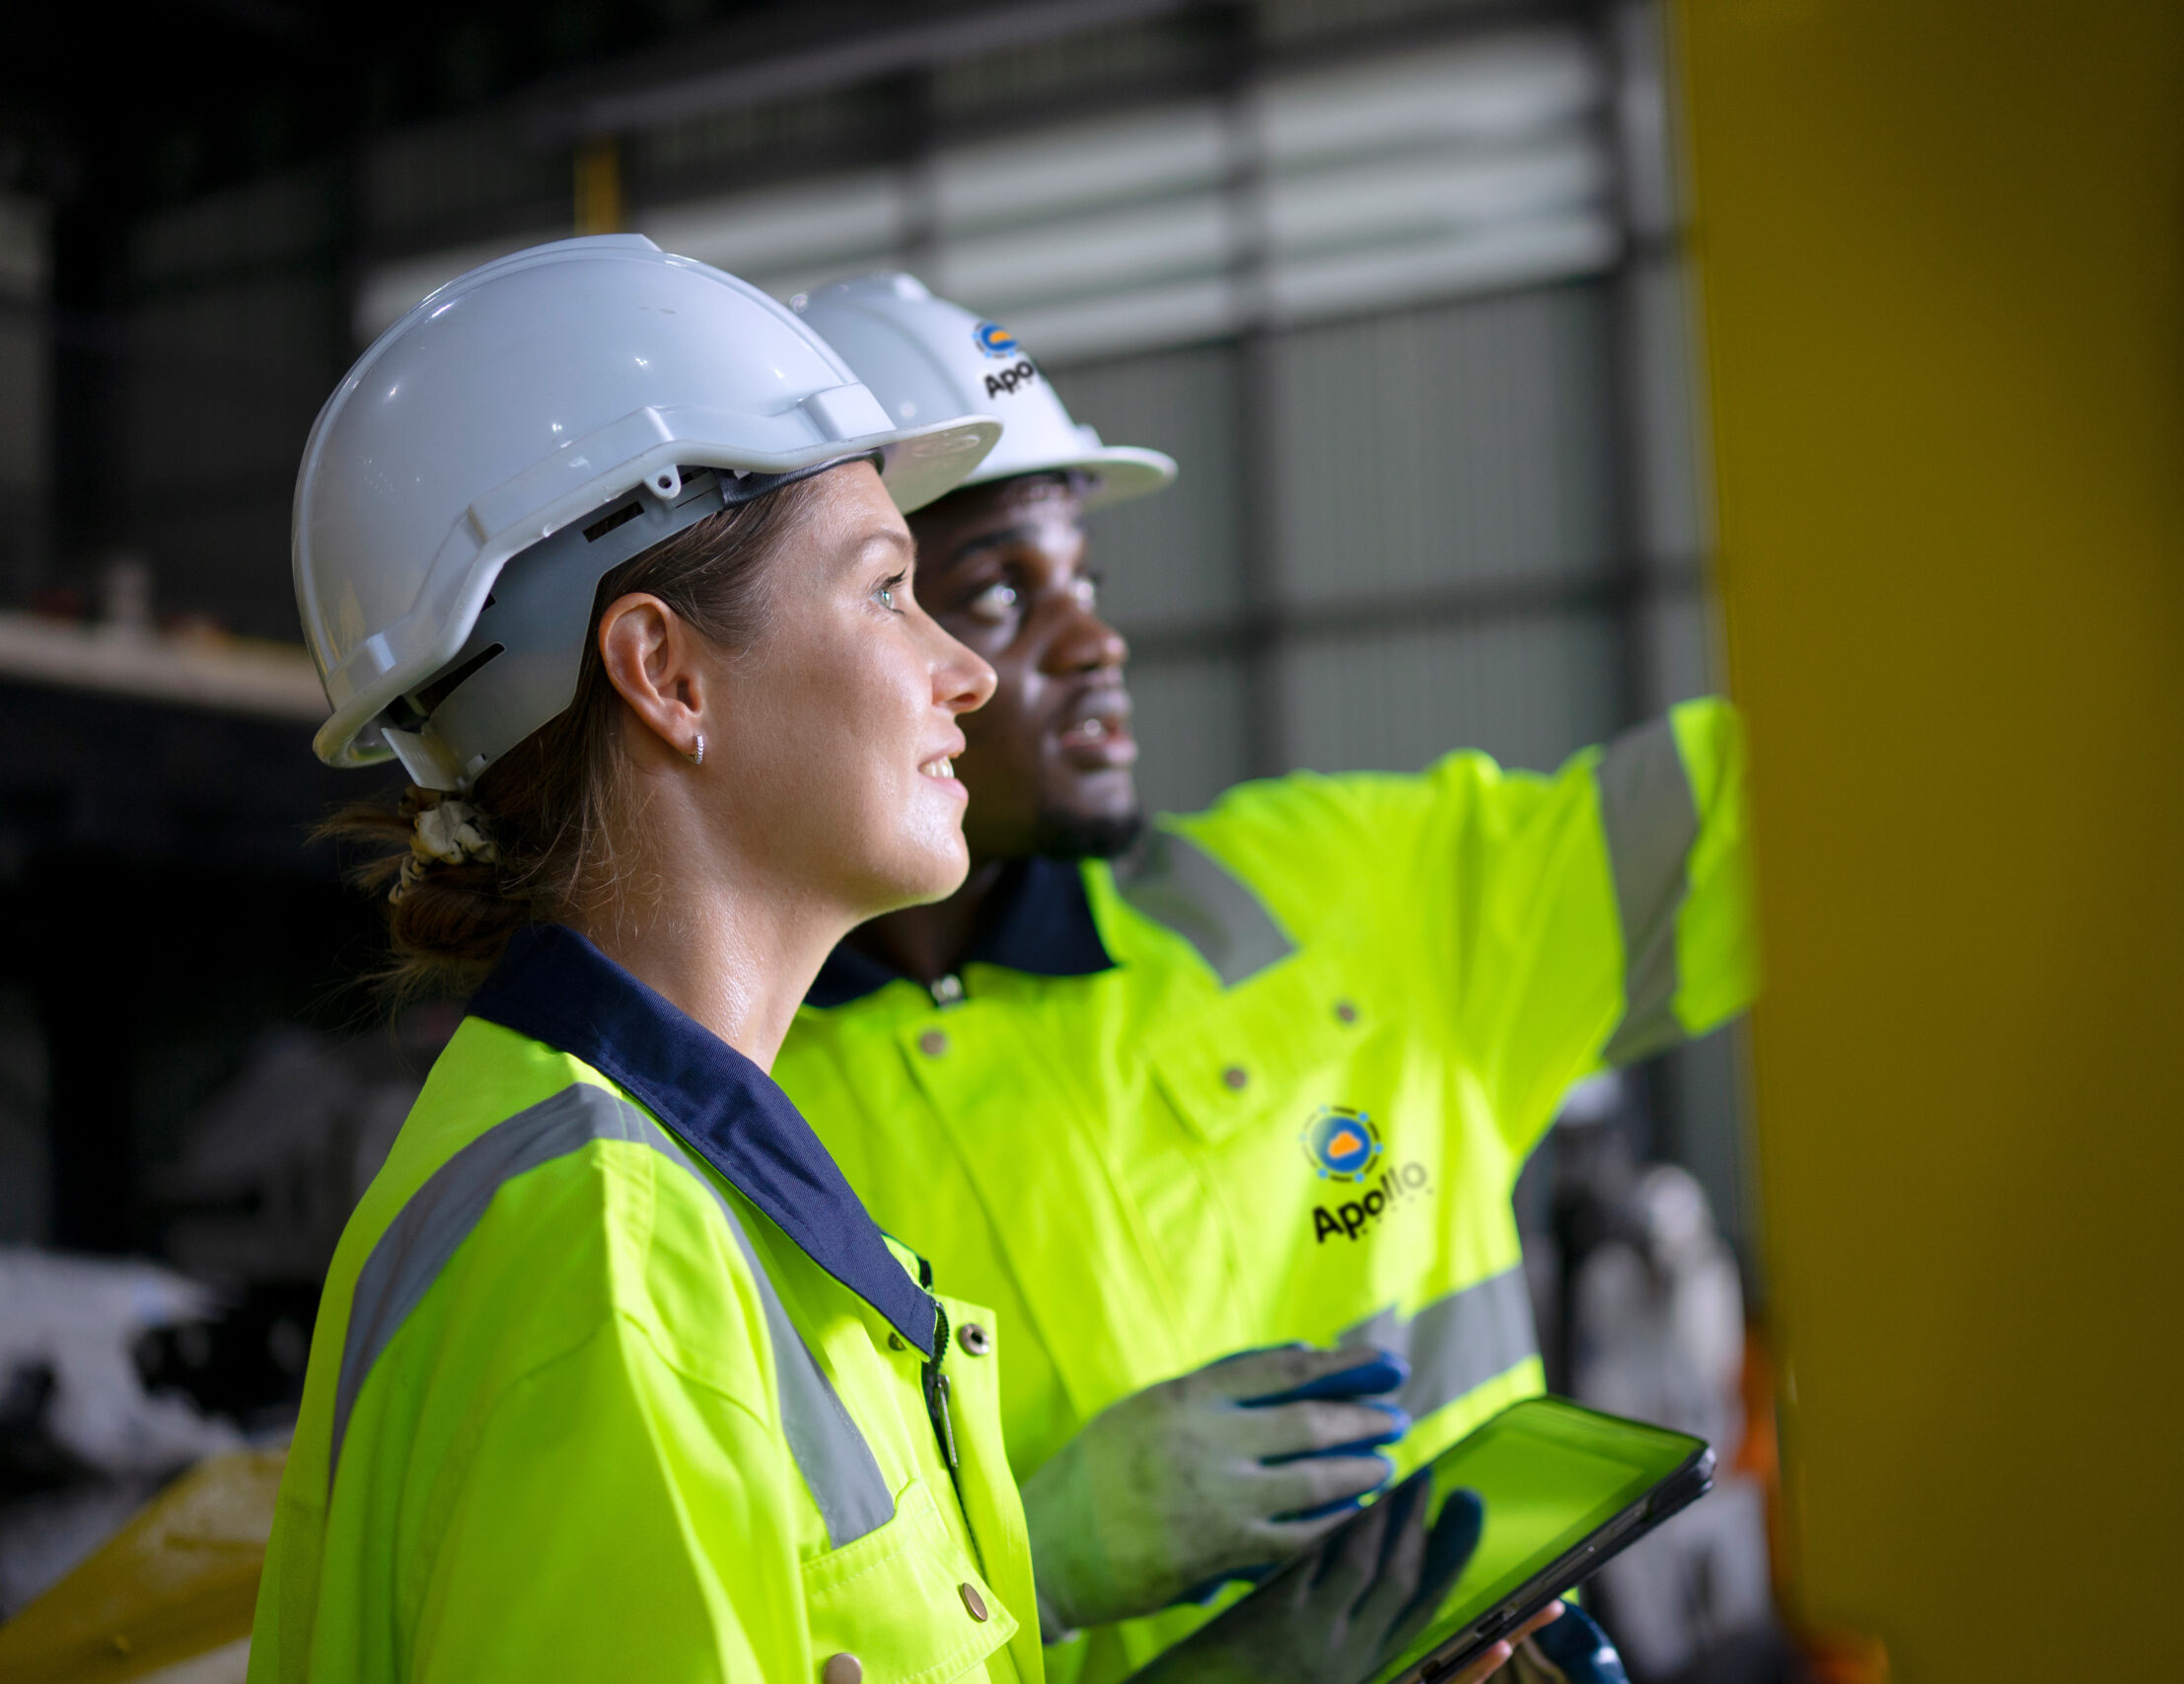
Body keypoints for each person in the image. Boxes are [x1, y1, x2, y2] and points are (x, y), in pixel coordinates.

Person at [253, 237, 1537, 1684]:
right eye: (885, 591)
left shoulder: (675, 1195)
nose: (966, 672)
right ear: (667, 676)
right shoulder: (607, 1277)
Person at [771, 274, 1760, 1684]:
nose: (1097, 644)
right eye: (996, 592)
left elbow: (1770, 807)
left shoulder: (1344, 892)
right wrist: (1022, 1559)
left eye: (1084, 582)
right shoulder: (719, 1133)